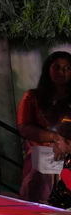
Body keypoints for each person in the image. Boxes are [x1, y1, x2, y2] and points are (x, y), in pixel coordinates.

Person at [17, 51, 71, 204]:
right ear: (48, 69)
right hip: (41, 162)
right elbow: (24, 127)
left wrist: (67, 144)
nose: (62, 72)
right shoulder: (32, 97)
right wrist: (55, 139)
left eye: (67, 68)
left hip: (68, 157)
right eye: (57, 67)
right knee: (41, 201)